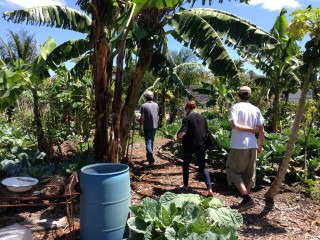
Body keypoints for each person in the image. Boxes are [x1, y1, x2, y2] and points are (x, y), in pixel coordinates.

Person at [226, 86, 265, 212]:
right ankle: (245, 202)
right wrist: (259, 145)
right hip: (252, 145)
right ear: (250, 96)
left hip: (239, 145)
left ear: (238, 95)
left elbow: (235, 125)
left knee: (232, 170)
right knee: (248, 175)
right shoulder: (256, 109)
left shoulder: (235, 107)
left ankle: (247, 199)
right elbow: (262, 130)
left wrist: (251, 130)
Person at [176, 101, 213, 197]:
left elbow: (183, 133)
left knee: (186, 165)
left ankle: (185, 186)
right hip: (201, 144)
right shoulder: (203, 118)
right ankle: (209, 189)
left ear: (188, 109)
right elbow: (206, 131)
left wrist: (177, 138)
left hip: (188, 145)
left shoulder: (187, 118)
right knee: (202, 166)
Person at [139, 90, 159, 167]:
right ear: (152, 97)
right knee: (152, 141)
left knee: (148, 142)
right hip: (154, 126)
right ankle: (149, 157)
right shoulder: (156, 105)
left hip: (147, 126)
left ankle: (151, 160)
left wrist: (140, 128)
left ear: (145, 97)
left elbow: (142, 117)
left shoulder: (144, 105)